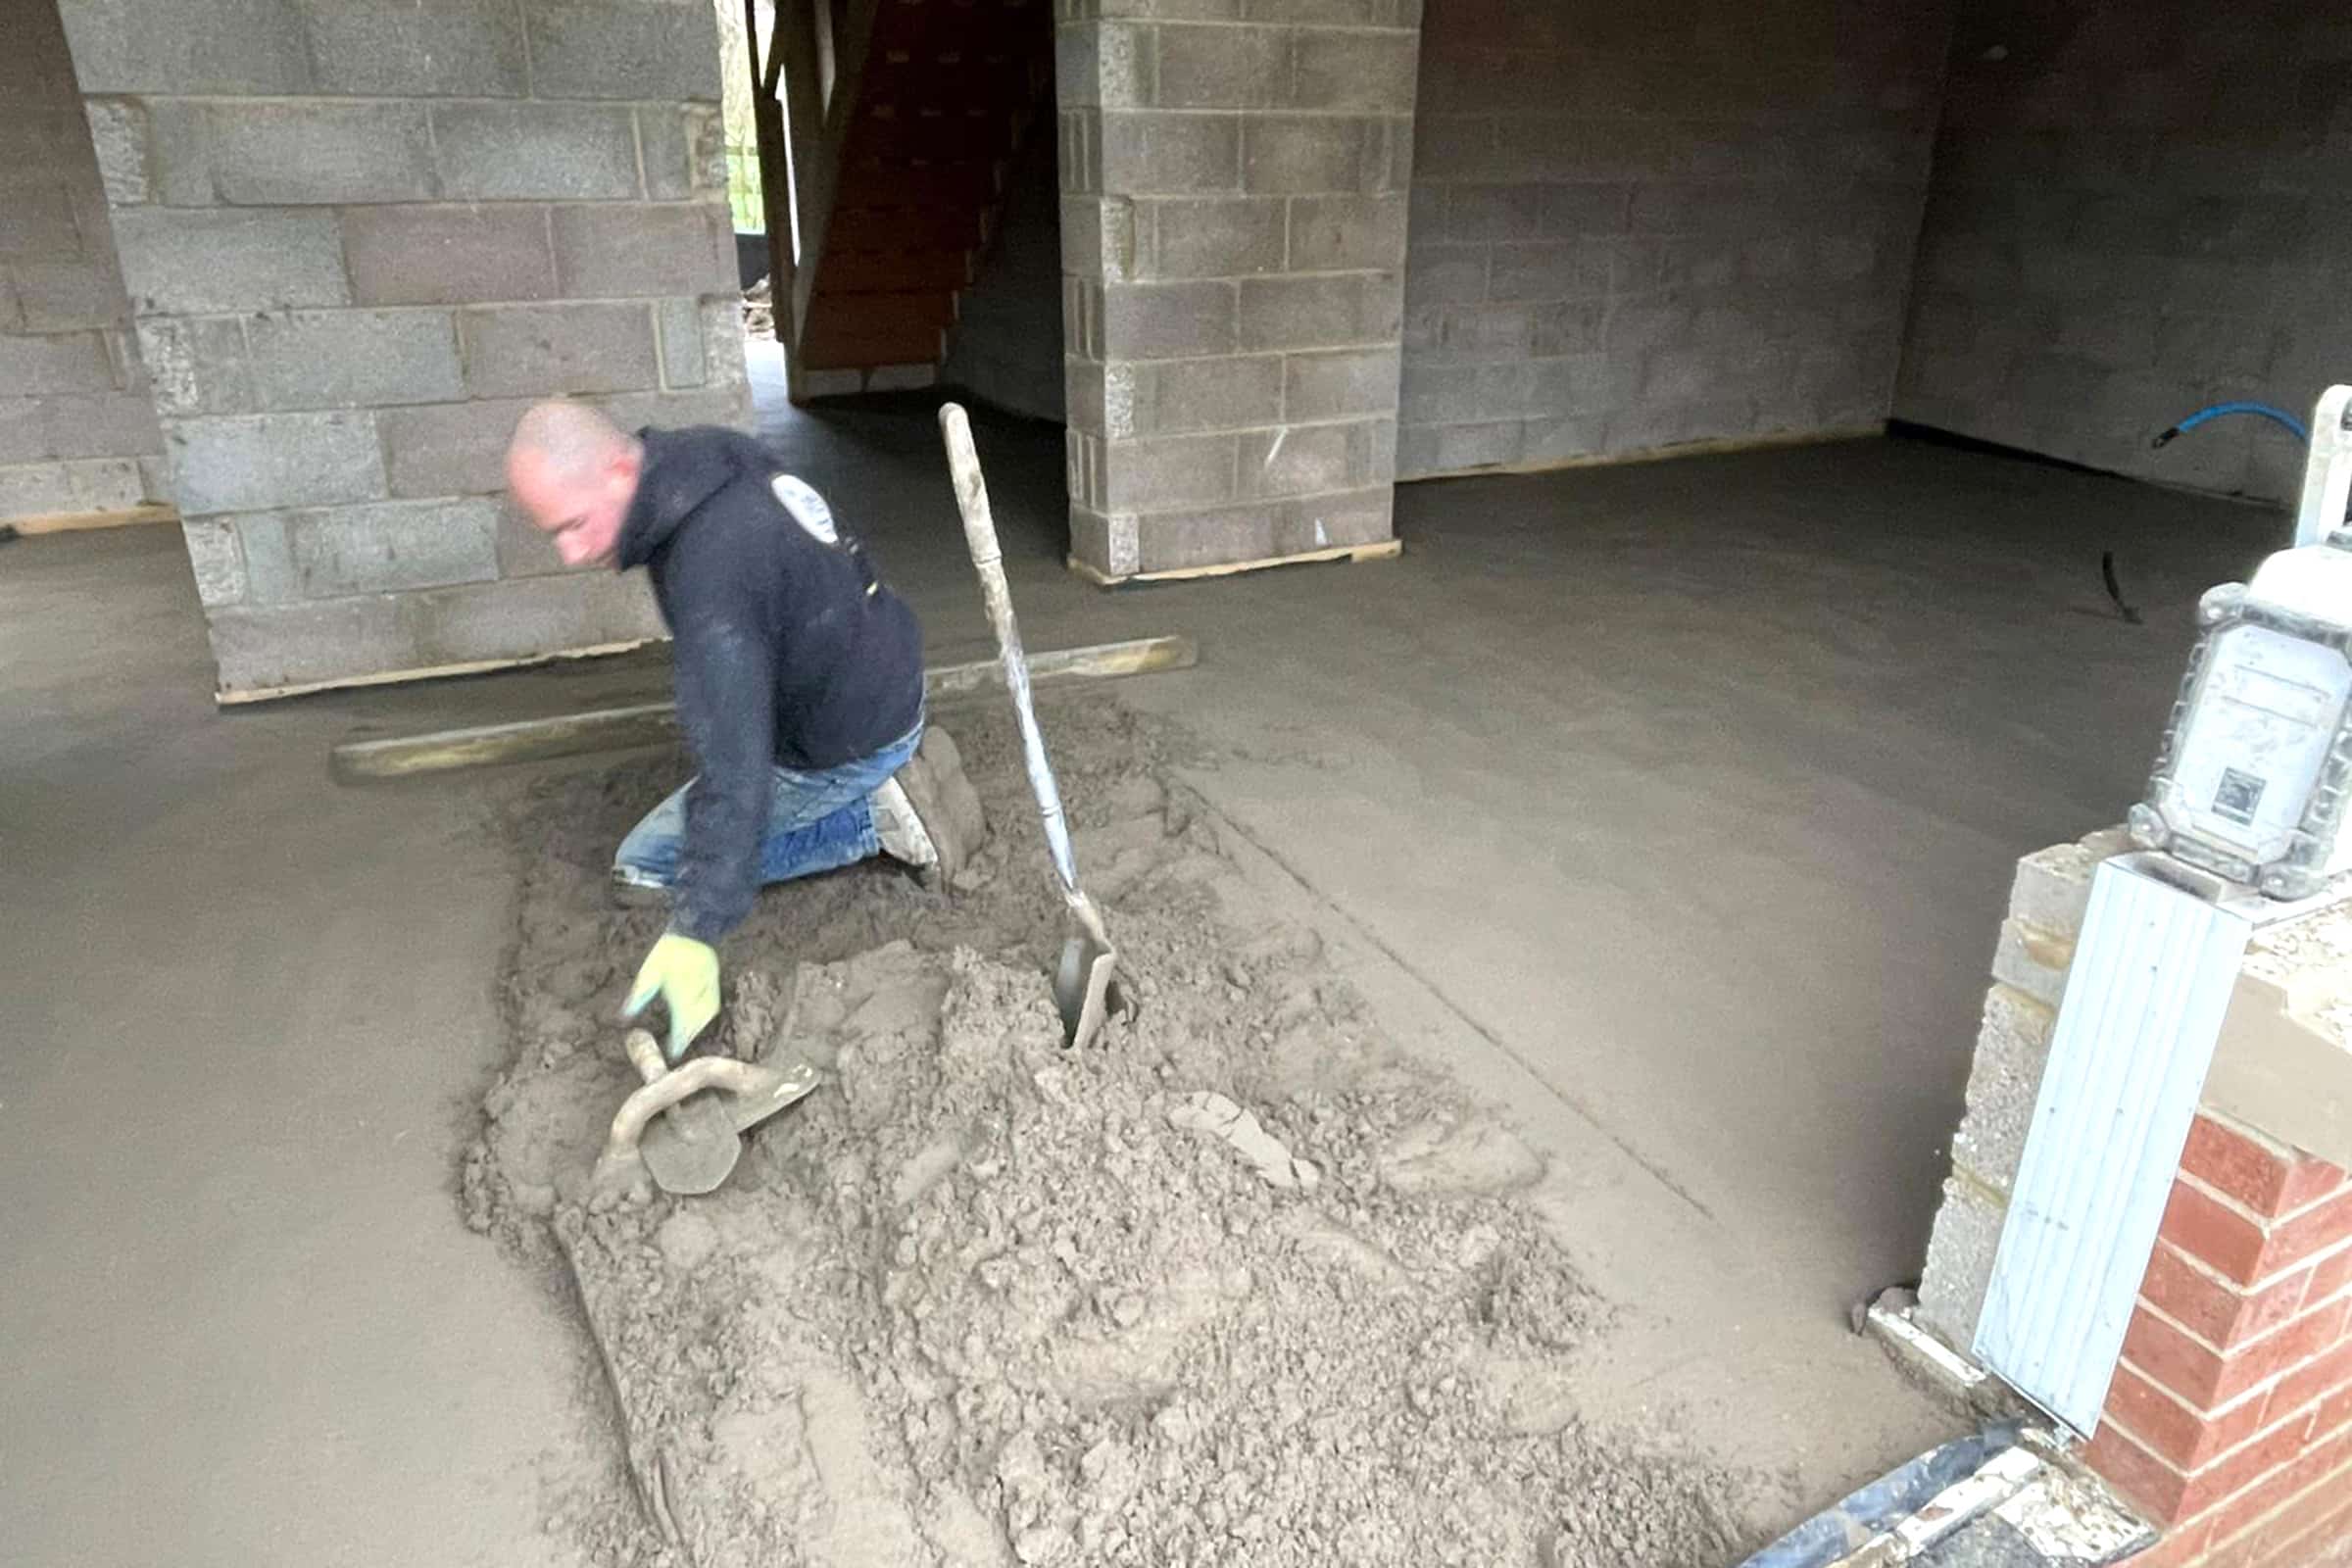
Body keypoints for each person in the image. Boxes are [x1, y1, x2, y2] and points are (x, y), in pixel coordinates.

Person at [505, 400, 980, 1060]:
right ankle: (886, 766)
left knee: (644, 867)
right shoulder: (702, 457)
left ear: (618, 470)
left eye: (576, 524)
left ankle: (878, 817)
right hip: (884, 668)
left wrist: (695, 929)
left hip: (844, 741)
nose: (570, 552)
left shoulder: (710, 571)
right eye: (554, 532)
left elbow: (736, 768)